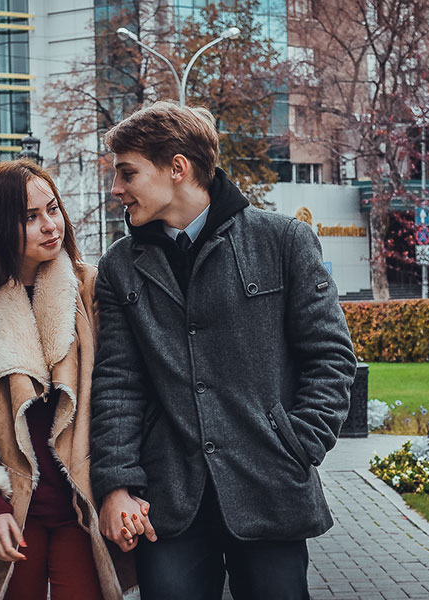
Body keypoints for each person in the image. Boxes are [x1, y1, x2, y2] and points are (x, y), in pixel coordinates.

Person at [89, 101, 357, 600]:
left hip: (270, 489)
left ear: (177, 168)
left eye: (127, 173)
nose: (116, 189)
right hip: (168, 501)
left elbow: (331, 357)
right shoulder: (120, 267)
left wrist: (298, 445)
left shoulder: (284, 241)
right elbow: (117, 383)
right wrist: (116, 483)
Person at [0, 159, 130, 600]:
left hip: (81, 502)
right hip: (13, 506)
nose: (50, 225)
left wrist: (122, 485)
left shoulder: (88, 287)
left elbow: (116, 390)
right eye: (30, 217)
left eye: (53, 209)